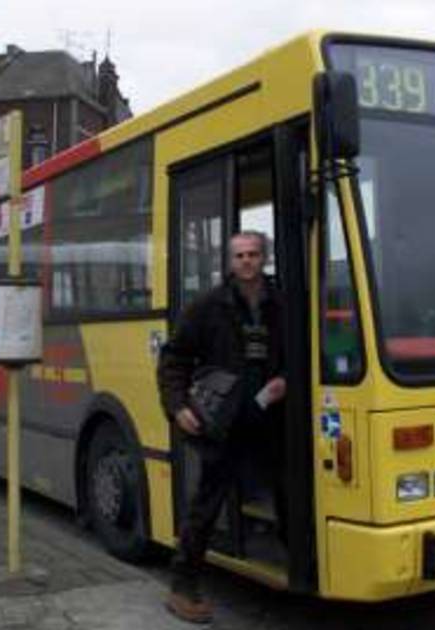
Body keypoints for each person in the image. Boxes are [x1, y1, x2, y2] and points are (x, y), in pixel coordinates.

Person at [156, 231, 286, 624]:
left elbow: (298, 350)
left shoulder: (281, 302)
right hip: (223, 423)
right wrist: (178, 406)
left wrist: (285, 379)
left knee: (289, 491)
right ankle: (182, 587)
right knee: (207, 505)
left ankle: (294, 564)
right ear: (230, 262)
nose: (246, 261)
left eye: (253, 254)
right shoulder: (208, 305)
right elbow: (173, 359)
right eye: (239, 255)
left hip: (271, 417)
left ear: (264, 258)